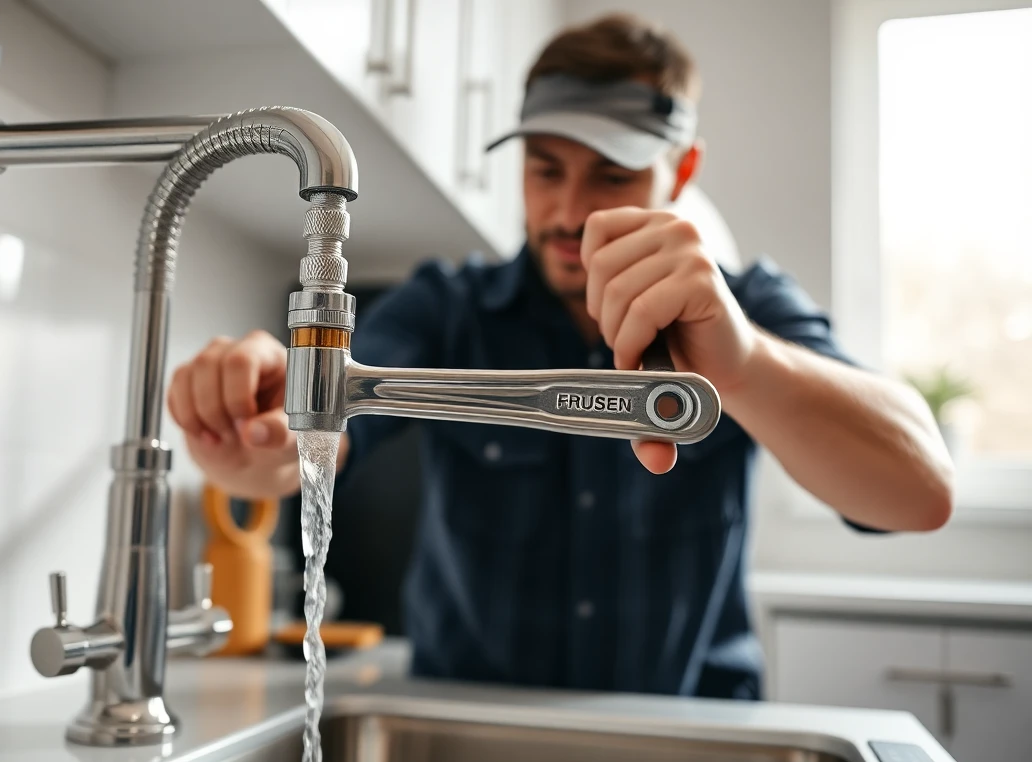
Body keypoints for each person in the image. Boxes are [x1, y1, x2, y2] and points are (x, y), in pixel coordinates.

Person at [166, 13, 953, 699]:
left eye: (613, 175)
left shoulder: (749, 310)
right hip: (471, 734)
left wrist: (742, 362)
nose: (571, 211)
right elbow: (316, 440)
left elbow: (920, 493)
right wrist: (254, 438)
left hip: (692, 739)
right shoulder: (449, 307)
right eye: (546, 169)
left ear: (680, 172)